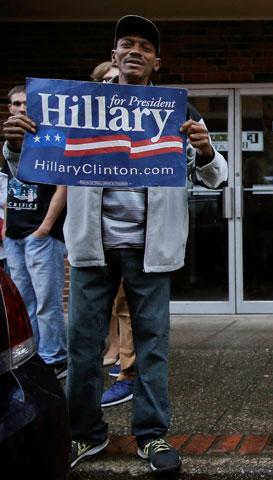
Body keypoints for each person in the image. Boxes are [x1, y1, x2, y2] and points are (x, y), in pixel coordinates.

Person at [7, 15, 227, 472]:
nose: (135, 51)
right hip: (92, 247)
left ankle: (151, 435)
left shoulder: (177, 112)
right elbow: (35, 169)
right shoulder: (79, 110)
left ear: (156, 62)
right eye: (126, 44)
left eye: (145, 47)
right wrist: (13, 147)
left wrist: (206, 151)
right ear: (113, 56)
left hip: (151, 250)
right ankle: (85, 434)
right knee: (83, 346)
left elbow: (214, 178)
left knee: (152, 345)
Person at [2, 85, 68, 379]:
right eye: (16, 104)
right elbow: (5, 189)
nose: (22, 108)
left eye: (27, 103)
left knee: (46, 303)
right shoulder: (8, 146)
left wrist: (44, 229)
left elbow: (62, 188)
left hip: (41, 235)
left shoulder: (50, 142)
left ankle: (55, 357)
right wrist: (6, 227)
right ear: (9, 109)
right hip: (14, 234)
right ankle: (32, 357)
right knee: (24, 303)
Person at [86, 60, 138, 408]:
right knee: (105, 310)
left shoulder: (142, 121)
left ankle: (128, 373)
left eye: (116, 79)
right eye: (105, 81)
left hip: (135, 238)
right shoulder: (87, 124)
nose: (113, 84)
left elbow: (209, 171)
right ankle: (117, 356)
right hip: (94, 238)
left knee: (127, 307)